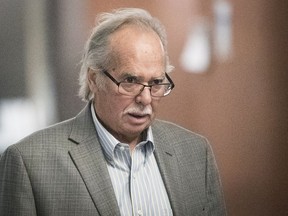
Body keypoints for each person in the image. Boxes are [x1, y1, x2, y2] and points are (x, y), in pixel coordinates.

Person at [0, 8, 226, 216]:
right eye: (130, 80)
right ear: (94, 79)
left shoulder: (196, 154)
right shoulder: (30, 163)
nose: (145, 98)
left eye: (156, 82)